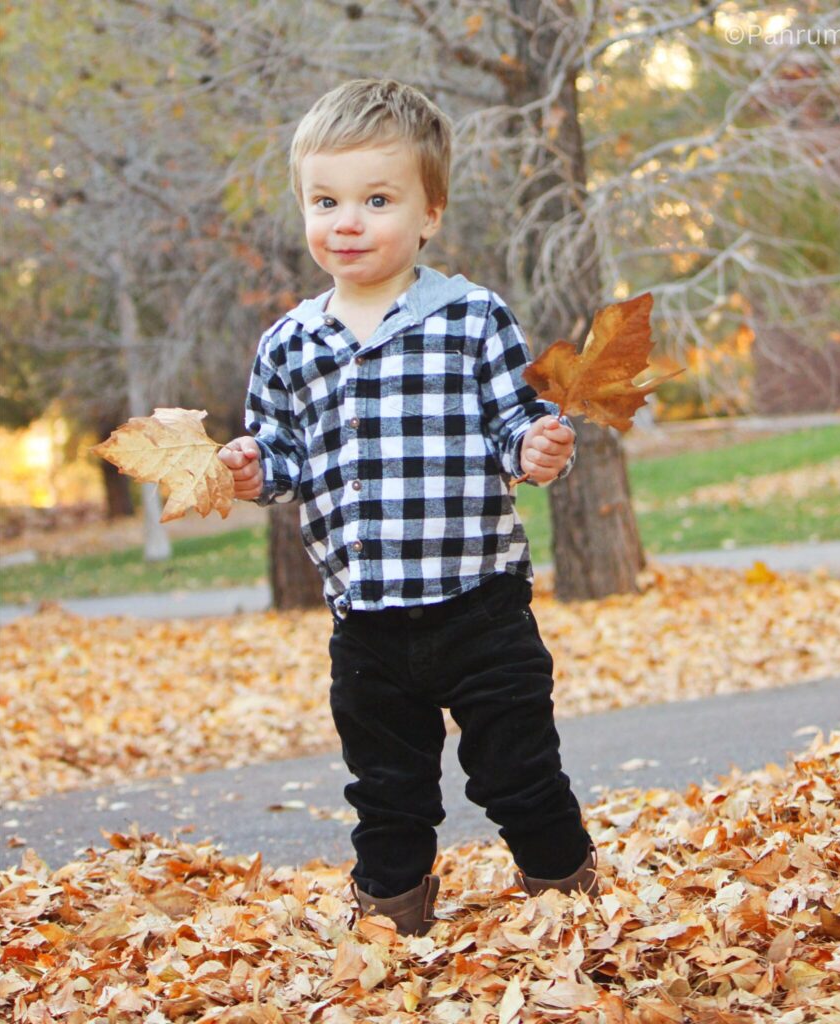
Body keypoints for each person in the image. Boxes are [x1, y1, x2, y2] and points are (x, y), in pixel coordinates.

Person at [218, 79, 596, 937]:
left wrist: (535, 448)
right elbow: (278, 456)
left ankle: (568, 904)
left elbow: (513, 421)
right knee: (386, 789)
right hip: (368, 621)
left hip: (480, 604)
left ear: (429, 214)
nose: (346, 221)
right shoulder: (290, 345)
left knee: (516, 771)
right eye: (326, 200)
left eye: (376, 200)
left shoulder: (470, 318)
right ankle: (391, 922)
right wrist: (249, 469)